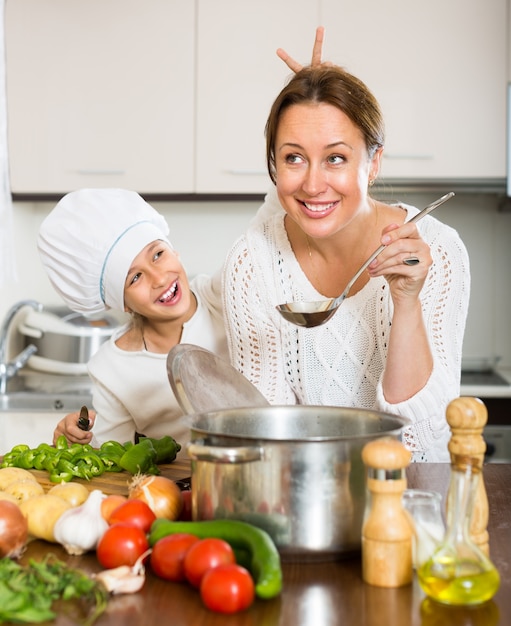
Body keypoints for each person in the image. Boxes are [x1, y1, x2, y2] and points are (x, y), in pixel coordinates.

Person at [221, 47, 471, 462]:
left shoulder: (436, 251)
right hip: (305, 501)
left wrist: (406, 302)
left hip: (412, 502)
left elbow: (424, 439)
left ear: (373, 163)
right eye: (294, 157)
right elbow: (264, 437)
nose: (313, 184)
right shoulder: (252, 264)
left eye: (335, 157)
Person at [37, 188, 228, 454]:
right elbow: (114, 460)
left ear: (174, 250)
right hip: (179, 489)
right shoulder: (111, 369)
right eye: (135, 278)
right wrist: (78, 442)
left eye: (158, 254)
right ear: (123, 303)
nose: (159, 278)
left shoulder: (224, 296)